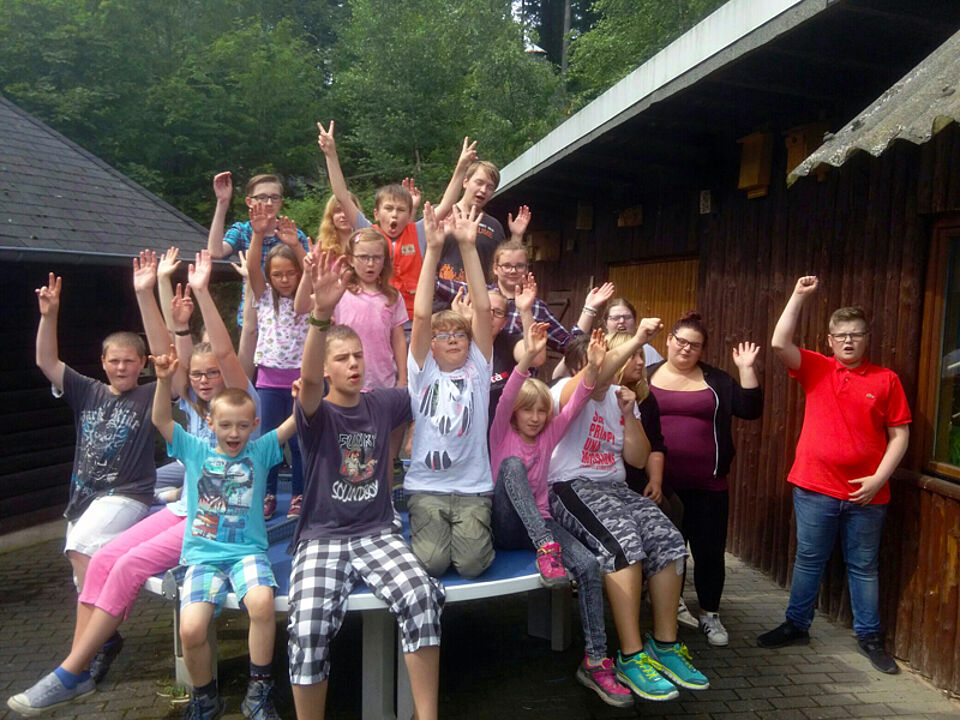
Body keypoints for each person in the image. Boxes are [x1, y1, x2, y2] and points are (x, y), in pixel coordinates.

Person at [287, 246, 443, 720]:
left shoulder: (382, 404)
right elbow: (307, 383)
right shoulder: (315, 414)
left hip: (377, 532)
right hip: (323, 537)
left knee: (421, 597)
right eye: (342, 358)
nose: (354, 364)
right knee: (308, 626)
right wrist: (320, 315)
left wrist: (435, 252)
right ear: (326, 368)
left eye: (357, 356)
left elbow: (419, 368)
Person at [548, 322, 710, 702]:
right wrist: (636, 339)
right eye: (631, 355)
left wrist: (629, 414)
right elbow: (592, 380)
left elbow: (637, 458)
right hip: (571, 486)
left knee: (669, 539)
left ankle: (664, 646)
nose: (638, 361)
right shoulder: (566, 389)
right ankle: (630, 655)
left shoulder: (624, 399)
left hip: (615, 487)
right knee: (623, 542)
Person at [758, 276, 910, 675]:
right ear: (829, 340)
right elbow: (779, 343)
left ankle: (870, 637)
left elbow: (900, 435)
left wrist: (878, 480)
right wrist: (797, 295)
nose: (848, 341)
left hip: (868, 495)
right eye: (841, 335)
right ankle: (796, 625)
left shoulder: (887, 380)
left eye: (856, 334)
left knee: (864, 566)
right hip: (815, 487)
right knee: (810, 559)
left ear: (867, 339)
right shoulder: (817, 368)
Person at [490, 326, 635, 707]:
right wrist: (526, 359)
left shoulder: (548, 435)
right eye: (528, 410)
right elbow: (509, 392)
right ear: (514, 413)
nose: (536, 418)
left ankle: (596, 661)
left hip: (543, 527)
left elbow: (578, 401)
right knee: (512, 467)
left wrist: (593, 367)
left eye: (542, 411)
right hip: (508, 525)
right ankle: (545, 547)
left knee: (587, 565)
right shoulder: (501, 433)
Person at [152, 348, 295, 720]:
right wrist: (164, 381)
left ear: (254, 424)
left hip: (248, 553)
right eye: (226, 425)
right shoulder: (195, 450)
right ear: (210, 423)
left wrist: (307, 393)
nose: (234, 433)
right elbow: (161, 419)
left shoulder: (261, 451)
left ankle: (259, 690)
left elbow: (296, 421)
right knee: (191, 629)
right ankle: (204, 697)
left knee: (262, 603)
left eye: (243, 426)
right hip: (203, 556)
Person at [34, 273, 155, 593]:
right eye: (114, 361)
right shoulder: (87, 390)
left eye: (128, 361)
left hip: (127, 494)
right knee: (84, 574)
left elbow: (177, 367)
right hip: (83, 498)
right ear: (103, 362)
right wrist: (49, 316)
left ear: (142, 363)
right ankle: (108, 622)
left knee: (80, 546)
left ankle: (99, 620)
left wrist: (147, 294)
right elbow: (46, 361)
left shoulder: (151, 395)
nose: (121, 367)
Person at [646, 312, 761, 646]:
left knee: (709, 552)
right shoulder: (647, 376)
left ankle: (710, 614)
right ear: (669, 340)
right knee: (668, 552)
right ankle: (670, 609)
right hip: (659, 487)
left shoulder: (717, 381)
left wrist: (746, 369)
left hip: (708, 486)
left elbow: (750, 409)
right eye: (681, 341)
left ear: (702, 350)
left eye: (694, 345)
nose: (686, 349)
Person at [405, 202, 495, 578]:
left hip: (472, 489)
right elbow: (421, 315)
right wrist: (434, 249)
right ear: (431, 345)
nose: (453, 339)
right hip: (427, 488)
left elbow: (484, 311)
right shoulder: (422, 372)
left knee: (472, 566)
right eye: (443, 336)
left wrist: (469, 247)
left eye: (460, 333)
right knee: (432, 563)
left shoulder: (478, 368)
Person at [318, 121, 463, 324]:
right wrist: (331, 154)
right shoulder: (368, 232)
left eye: (401, 210)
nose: (394, 215)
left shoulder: (419, 231)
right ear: (376, 214)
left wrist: (461, 167)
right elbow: (342, 195)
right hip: (379, 315)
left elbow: (447, 203)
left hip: (415, 318)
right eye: (388, 209)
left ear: (410, 213)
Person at [246, 203, 313, 520]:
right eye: (277, 274)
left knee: (299, 442)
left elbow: (312, 269)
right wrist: (258, 235)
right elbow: (252, 268)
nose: (284, 279)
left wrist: (297, 245)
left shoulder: (307, 299)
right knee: (268, 441)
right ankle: (267, 493)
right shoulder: (263, 297)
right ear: (269, 277)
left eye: (290, 273)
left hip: (300, 380)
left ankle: (299, 494)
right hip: (269, 381)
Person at [437, 243, 612, 354]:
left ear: (526, 269)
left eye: (519, 266)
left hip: (519, 387)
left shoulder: (536, 308)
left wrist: (589, 308)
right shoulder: (477, 295)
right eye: (506, 265)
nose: (513, 271)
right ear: (496, 268)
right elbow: (433, 284)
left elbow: (570, 346)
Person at [205, 171, 311, 325]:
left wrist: (296, 246)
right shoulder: (242, 230)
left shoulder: (293, 234)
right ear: (249, 201)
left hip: (290, 316)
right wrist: (222, 203)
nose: (269, 203)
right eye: (262, 197)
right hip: (251, 316)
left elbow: (311, 273)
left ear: (281, 202)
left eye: (274, 197)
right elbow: (215, 252)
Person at [605, 332, 684, 532]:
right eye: (633, 356)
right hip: (611, 478)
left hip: (640, 473)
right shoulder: (600, 397)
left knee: (674, 507)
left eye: (641, 355)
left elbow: (656, 445)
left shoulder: (646, 399)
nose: (641, 362)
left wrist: (656, 481)